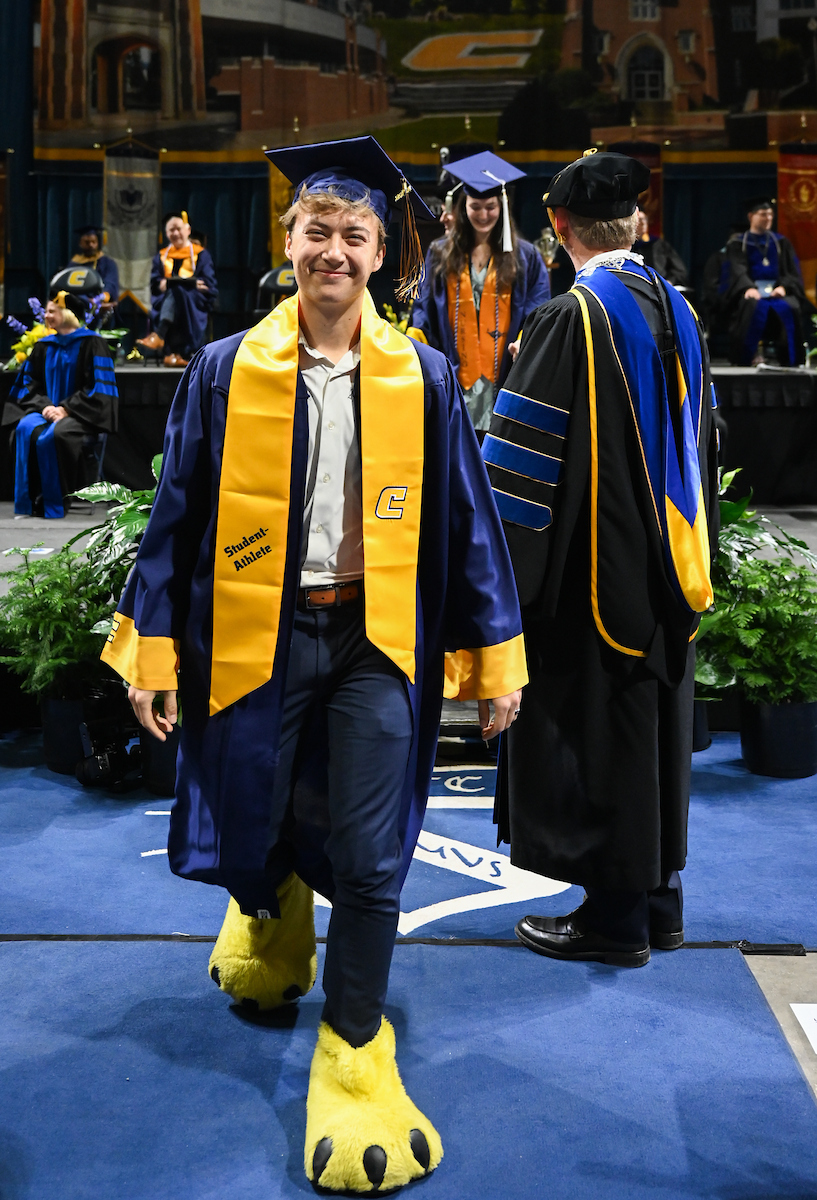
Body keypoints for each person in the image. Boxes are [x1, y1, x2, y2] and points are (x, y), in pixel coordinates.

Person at [100, 136, 526, 1195]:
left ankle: (354, 1049)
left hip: (375, 637)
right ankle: (272, 914)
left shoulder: (421, 375)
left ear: (381, 253)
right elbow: (175, 518)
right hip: (261, 631)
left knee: (373, 852)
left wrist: (494, 658)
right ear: (287, 241)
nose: (333, 250)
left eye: (354, 234)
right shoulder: (223, 369)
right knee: (256, 814)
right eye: (316, 230)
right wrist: (151, 651)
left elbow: (468, 523)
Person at [485, 149, 719, 968]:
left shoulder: (569, 317)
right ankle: (657, 905)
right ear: (636, 222)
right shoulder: (676, 306)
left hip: (590, 574)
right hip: (669, 569)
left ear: (557, 226)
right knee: (649, 729)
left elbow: (519, 471)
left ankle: (613, 921)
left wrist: (498, 587)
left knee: (601, 732)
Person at [408, 150, 550, 436]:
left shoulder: (525, 256)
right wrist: (414, 343)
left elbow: (538, 308)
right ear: (464, 208)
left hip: (505, 374)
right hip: (455, 372)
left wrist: (524, 340)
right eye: (475, 207)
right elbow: (424, 306)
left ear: (502, 207)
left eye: (490, 207)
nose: (483, 215)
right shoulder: (441, 252)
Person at [2, 292, 118, 518]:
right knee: (24, 429)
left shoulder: (93, 343)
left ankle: (54, 502)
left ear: (68, 314)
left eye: (51, 311)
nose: (46, 316)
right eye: (45, 311)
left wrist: (66, 409)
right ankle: (29, 502)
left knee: (54, 436)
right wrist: (45, 406)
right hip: (46, 411)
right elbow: (29, 383)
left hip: (81, 414)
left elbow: (98, 388)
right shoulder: (44, 346)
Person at [724, 197, 806, 366]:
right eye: (763, 214)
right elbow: (737, 270)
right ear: (751, 216)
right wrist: (748, 287)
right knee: (751, 306)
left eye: (770, 214)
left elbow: (792, 272)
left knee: (791, 306)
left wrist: (784, 287)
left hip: (777, 292)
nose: (768, 218)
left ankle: (790, 359)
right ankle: (747, 357)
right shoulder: (738, 243)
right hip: (752, 291)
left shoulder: (781, 243)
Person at [136, 211, 218, 367]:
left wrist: (173, 283)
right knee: (176, 292)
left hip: (195, 300)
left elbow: (207, 284)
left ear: (188, 230)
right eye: (171, 230)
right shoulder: (161, 256)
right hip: (165, 301)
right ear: (166, 234)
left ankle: (161, 336)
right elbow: (156, 285)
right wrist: (189, 283)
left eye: (178, 229)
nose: (175, 233)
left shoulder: (201, 254)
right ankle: (178, 353)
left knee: (177, 291)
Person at [633, 207, 689, 289]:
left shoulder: (659, 244)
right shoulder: (628, 248)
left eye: (644, 219)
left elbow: (679, 270)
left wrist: (669, 282)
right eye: (639, 220)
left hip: (661, 288)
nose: (643, 223)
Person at [63, 225, 120, 304]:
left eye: (94, 242)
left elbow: (110, 283)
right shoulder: (74, 264)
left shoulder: (107, 263)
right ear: (80, 243)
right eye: (87, 242)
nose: (91, 245)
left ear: (98, 243)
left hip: (100, 303)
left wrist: (100, 298)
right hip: (78, 303)